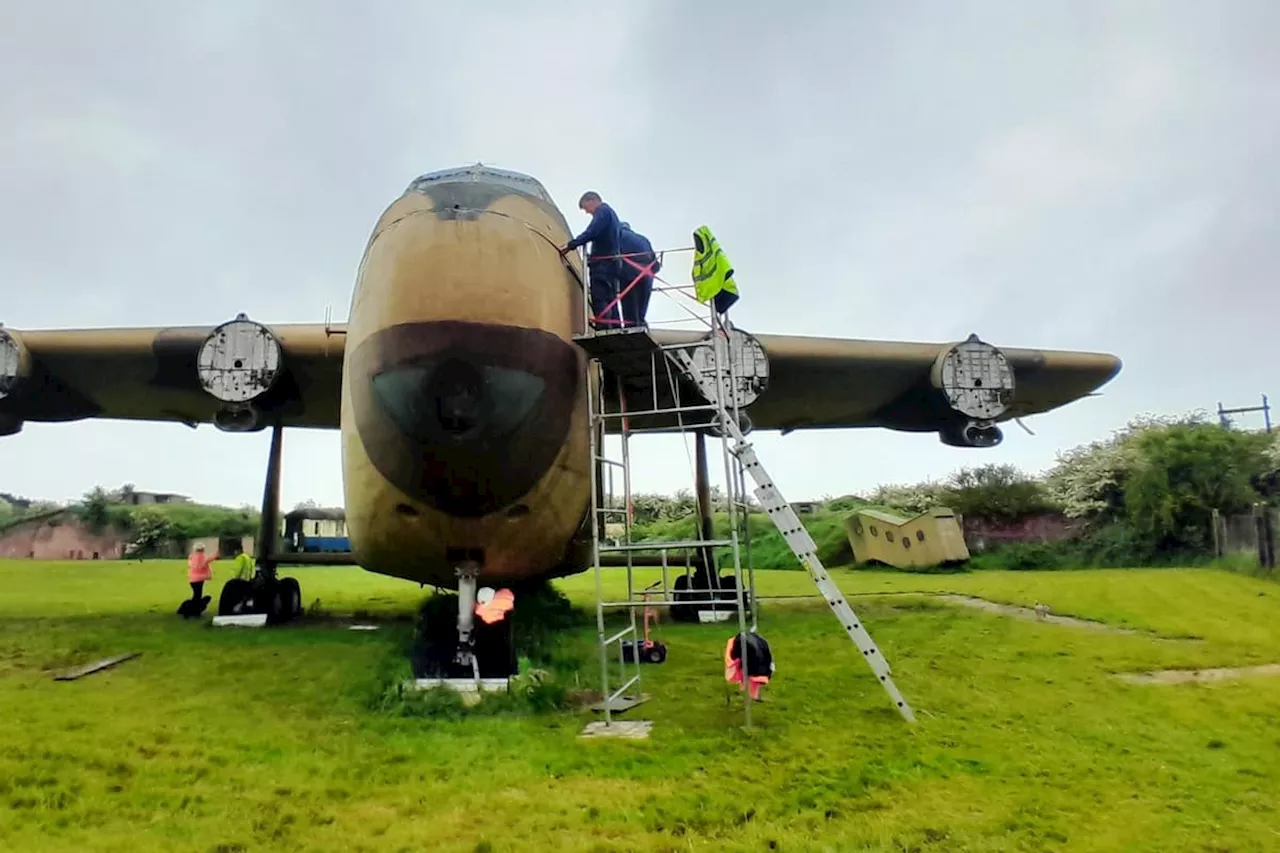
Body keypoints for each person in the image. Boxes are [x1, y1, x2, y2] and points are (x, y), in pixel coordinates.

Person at [560, 191, 627, 328]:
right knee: (611, 299)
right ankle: (615, 327)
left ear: (592, 201)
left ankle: (603, 327)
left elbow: (592, 231)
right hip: (612, 263)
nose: (587, 212)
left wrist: (571, 244)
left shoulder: (602, 212)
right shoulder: (611, 215)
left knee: (600, 296)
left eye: (586, 208)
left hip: (602, 265)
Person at [618, 221, 660, 328]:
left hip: (630, 275)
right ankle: (640, 324)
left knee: (629, 305)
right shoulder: (644, 239)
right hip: (647, 276)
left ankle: (631, 328)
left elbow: (611, 255)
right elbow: (656, 265)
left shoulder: (619, 235)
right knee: (641, 307)